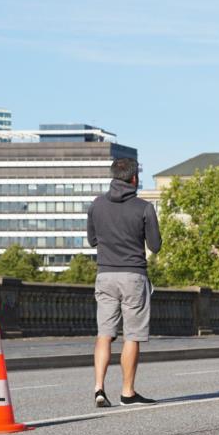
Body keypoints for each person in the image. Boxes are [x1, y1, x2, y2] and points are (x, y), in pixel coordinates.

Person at [87, 156, 161, 407]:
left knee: (104, 334)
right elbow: (156, 246)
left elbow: (92, 240)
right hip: (133, 276)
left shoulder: (96, 204)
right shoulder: (144, 207)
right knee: (132, 336)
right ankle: (127, 392)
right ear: (134, 178)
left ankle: (99, 388)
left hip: (105, 274)